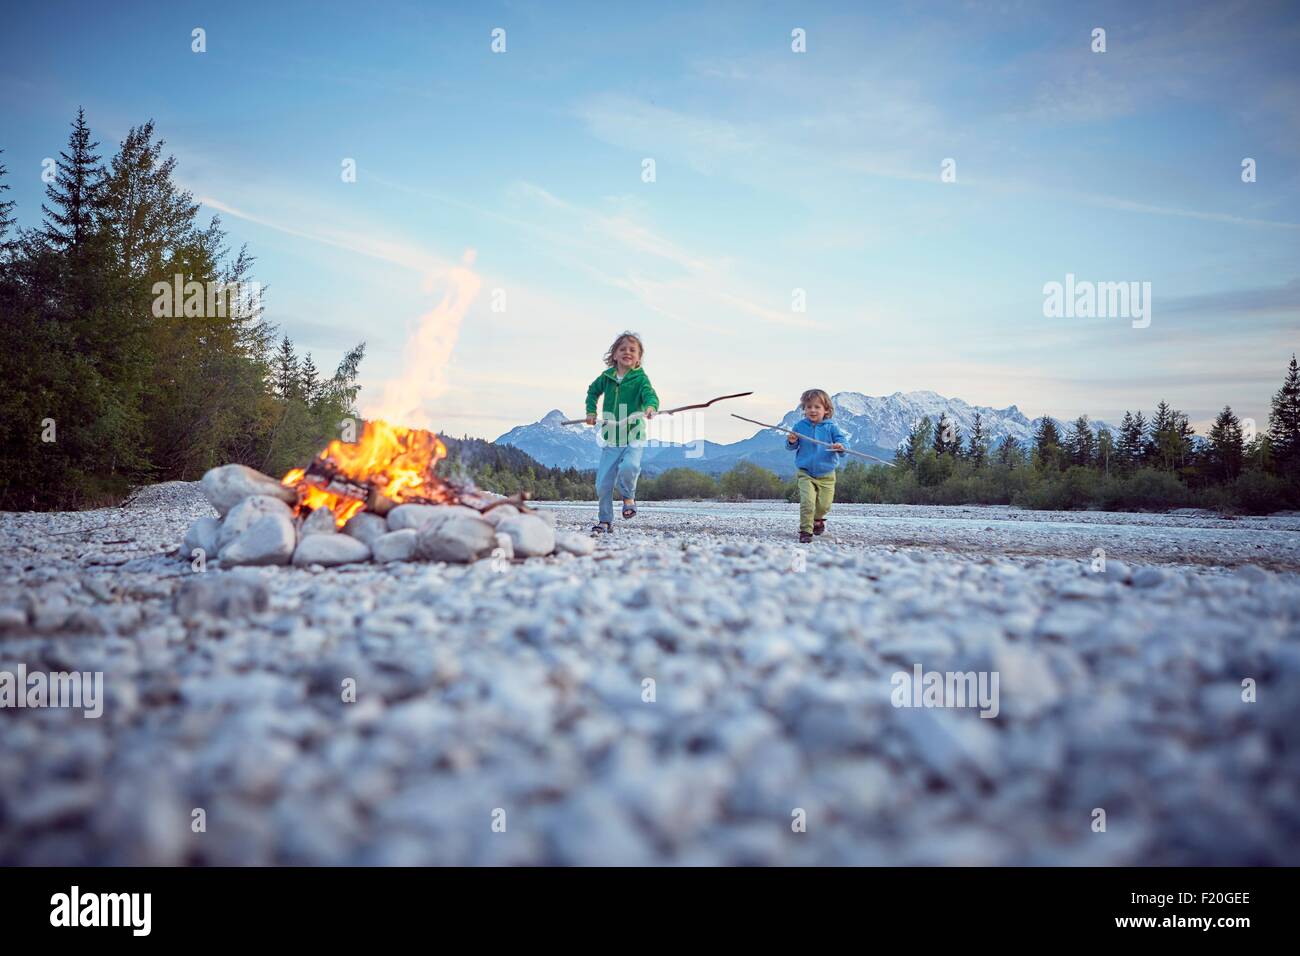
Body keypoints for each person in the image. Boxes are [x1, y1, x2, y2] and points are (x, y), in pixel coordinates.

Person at [584, 331, 658, 533]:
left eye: (633, 350)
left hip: (634, 435)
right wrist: (591, 411)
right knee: (602, 485)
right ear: (614, 355)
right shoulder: (606, 377)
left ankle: (628, 498)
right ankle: (605, 520)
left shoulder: (640, 379)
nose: (628, 352)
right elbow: (592, 392)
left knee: (630, 467)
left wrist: (650, 407)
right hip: (611, 438)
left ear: (638, 358)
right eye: (623, 349)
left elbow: (650, 395)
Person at [786, 388, 847, 543]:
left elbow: (844, 445)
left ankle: (817, 519)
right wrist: (792, 441)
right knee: (807, 502)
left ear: (826, 410)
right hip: (805, 472)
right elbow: (791, 446)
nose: (812, 410)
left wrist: (840, 446)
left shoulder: (831, 427)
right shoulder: (800, 426)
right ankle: (806, 531)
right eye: (809, 407)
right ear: (804, 409)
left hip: (827, 474)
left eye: (817, 407)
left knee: (824, 506)